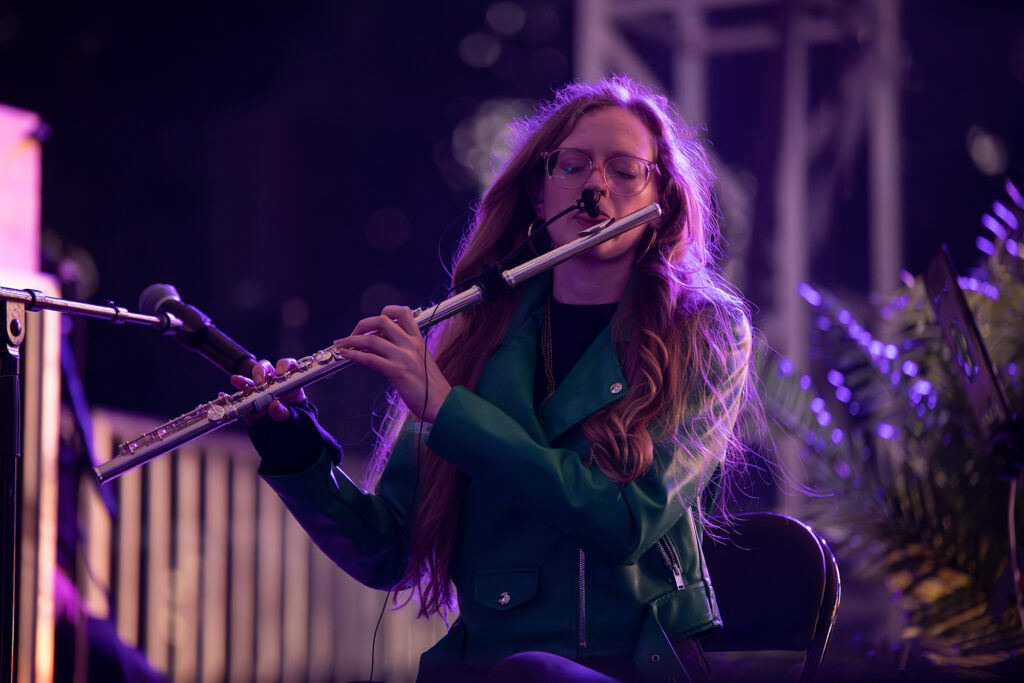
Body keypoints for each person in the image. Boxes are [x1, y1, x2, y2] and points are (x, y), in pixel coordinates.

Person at [233, 75, 758, 682]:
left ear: (658, 197)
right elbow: (386, 550)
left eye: (624, 170)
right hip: (483, 665)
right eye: (573, 165)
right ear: (539, 193)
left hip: (631, 666)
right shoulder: (475, 333)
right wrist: (293, 448)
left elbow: (623, 521)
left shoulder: (703, 329)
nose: (595, 185)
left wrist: (446, 410)